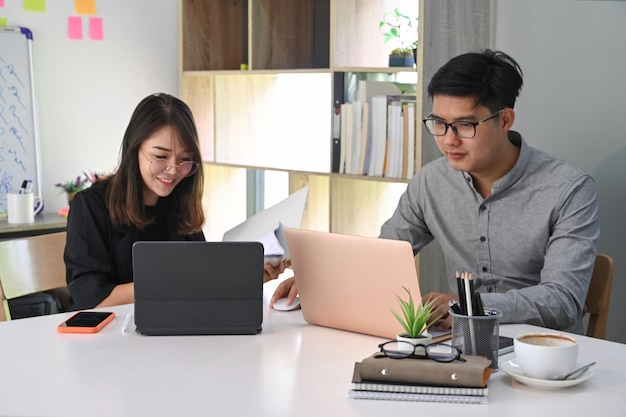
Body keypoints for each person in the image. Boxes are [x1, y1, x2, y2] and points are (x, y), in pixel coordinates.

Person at [270, 49, 599, 334]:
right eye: (438, 123)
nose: (448, 139)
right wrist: (324, 281)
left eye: (465, 126)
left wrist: (468, 305)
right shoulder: (431, 182)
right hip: (457, 346)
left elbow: (563, 300)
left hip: (541, 356)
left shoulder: (568, 189)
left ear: (505, 120)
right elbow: (383, 255)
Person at [65, 93, 287, 310]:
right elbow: (90, 299)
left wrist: (246, 278)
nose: (173, 170)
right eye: (161, 156)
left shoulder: (180, 203)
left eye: (184, 160)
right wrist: (170, 283)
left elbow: (202, 283)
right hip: (110, 338)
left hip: (174, 330)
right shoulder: (90, 206)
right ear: (134, 149)